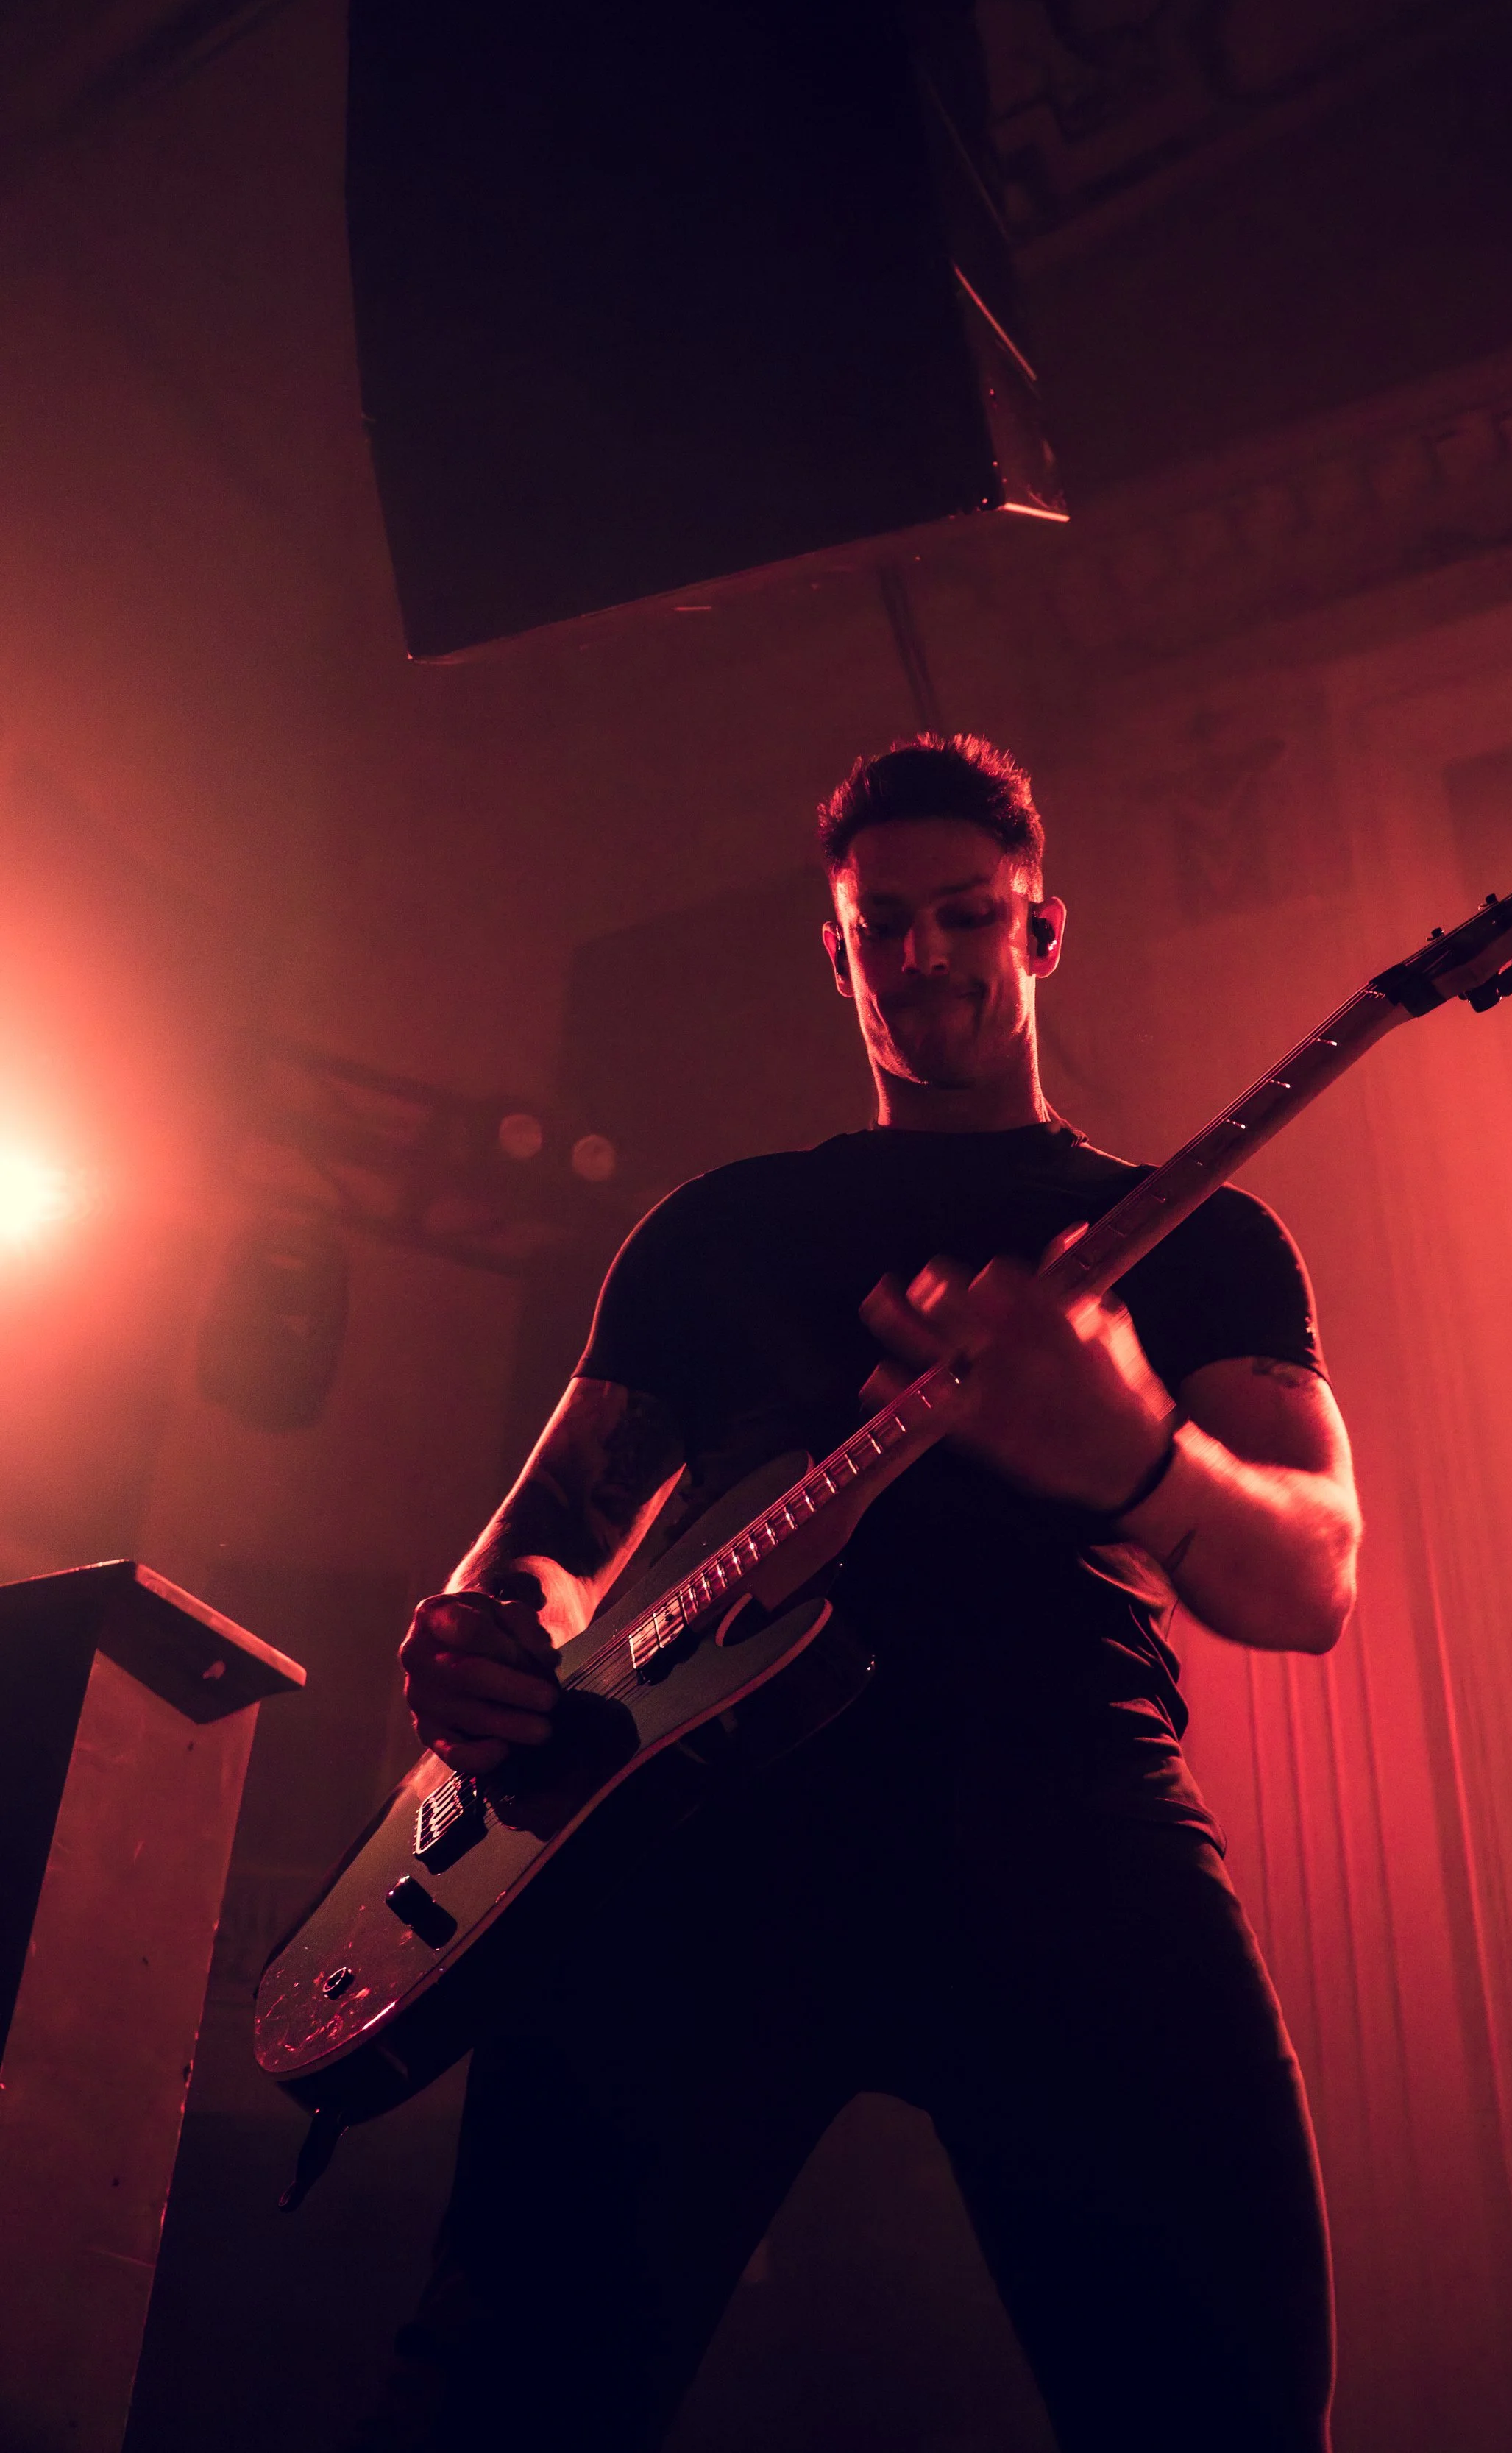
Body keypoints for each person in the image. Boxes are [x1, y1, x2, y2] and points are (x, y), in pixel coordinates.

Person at [374, 733, 1361, 2452]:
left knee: (1221, 2404)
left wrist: (1141, 1458)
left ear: (1040, 930)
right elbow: (539, 1538)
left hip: (1061, 1817)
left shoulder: (1192, 1233)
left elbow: (1311, 1579)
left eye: (965, 915)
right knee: (501, 2398)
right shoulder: (716, 1229)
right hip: (692, 1836)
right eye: (882, 926)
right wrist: (488, 1633)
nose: (925, 956)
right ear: (834, 955)